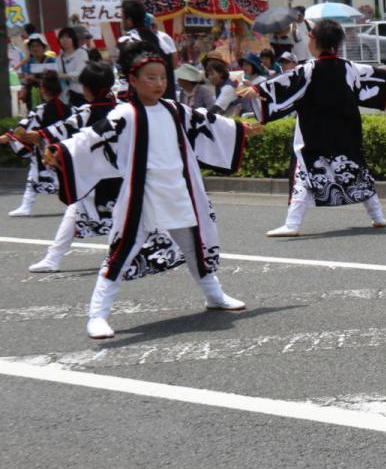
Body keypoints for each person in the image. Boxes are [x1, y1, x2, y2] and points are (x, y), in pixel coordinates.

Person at [43, 40, 259, 339]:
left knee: (193, 246)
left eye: (162, 77)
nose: (159, 83)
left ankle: (214, 294)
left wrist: (239, 129)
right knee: (122, 251)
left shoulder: (173, 108)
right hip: (141, 196)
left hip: (177, 189)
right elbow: (92, 136)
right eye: (150, 78)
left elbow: (205, 120)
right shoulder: (125, 114)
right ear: (132, 80)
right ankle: (97, 315)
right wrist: (60, 150)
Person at [240, 18, 386, 237]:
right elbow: (372, 74)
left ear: (314, 41)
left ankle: (292, 224)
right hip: (345, 133)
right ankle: (377, 216)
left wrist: (258, 91)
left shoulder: (309, 69)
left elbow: (285, 85)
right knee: (357, 170)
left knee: (303, 174)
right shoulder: (348, 67)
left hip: (314, 134)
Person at [21, 61, 122, 273]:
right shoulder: (123, 109)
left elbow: (66, 126)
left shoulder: (89, 111)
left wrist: (41, 135)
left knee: (77, 212)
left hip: (95, 176)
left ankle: (54, 258)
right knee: (127, 216)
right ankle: (55, 258)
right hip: (121, 173)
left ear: (88, 88)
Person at [3, 68, 71, 216]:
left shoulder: (41, 109)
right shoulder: (67, 109)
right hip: (64, 150)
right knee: (61, 177)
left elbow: (24, 127)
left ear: (42, 89)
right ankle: (27, 206)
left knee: (38, 175)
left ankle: (27, 206)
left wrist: (8, 136)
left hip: (44, 150)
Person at [119, 0, 178, 99]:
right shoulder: (159, 38)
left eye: (122, 18)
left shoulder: (127, 39)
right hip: (166, 97)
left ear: (129, 20)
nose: (122, 22)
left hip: (142, 100)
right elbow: (174, 63)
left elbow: (124, 75)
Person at [17, 32, 56, 111]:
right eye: (32, 46)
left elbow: (53, 81)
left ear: (44, 47)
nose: (35, 48)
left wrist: (35, 79)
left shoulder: (51, 61)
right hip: (32, 95)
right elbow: (26, 77)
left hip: (47, 96)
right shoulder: (30, 62)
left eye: (37, 45)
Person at [55, 26, 89, 105]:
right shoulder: (58, 58)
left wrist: (62, 76)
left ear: (73, 39)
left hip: (79, 95)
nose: (65, 40)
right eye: (62, 37)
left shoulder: (81, 53)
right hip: (63, 97)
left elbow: (80, 74)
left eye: (68, 37)